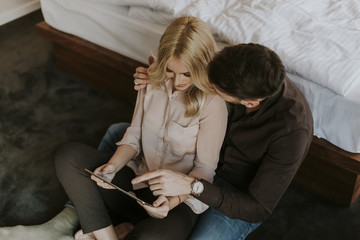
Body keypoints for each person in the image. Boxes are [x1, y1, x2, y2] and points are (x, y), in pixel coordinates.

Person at [114, 43, 313, 239]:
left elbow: (257, 208)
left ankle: (133, 225)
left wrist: (193, 185)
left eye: (214, 88)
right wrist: (161, 76)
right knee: (116, 132)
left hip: (236, 190)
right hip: (196, 153)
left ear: (250, 103)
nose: (205, 84)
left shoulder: (292, 132)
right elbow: (188, 63)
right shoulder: (231, 65)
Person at [54, 16, 228, 240]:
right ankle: (109, 235)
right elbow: (134, 136)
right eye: (170, 71)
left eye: (187, 73)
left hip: (176, 203)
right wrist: (113, 167)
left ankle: (117, 229)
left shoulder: (213, 104)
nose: (177, 82)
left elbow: (205, 169)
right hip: (137, 183)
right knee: (68, 156)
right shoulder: (151, 81)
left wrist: (172, 200)